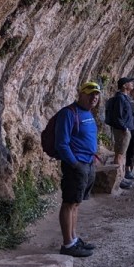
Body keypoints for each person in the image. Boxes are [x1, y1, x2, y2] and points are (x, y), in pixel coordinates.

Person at [55, 81, 102, 257]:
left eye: (96, 94)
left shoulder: (87, 113)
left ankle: (74, 239)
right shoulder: (68, 113)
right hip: (76, 165)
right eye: (90, 94)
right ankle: (67, 244)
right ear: (80, 94)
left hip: (87, 163)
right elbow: (62, 143)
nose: (94, 97)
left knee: (76, 203)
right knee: (69, 203)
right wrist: (74, 164)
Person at [105, 77, 134, 182]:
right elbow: (118, 115)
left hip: (124, 129)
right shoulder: (120, 98)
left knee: (122, 154)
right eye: (129, 82)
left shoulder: (124, 97)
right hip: (122, 130)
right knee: (119, 155)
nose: (132, 84)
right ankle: (119, 180)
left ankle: (121, 177)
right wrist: (124, 128)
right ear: (124, 86)